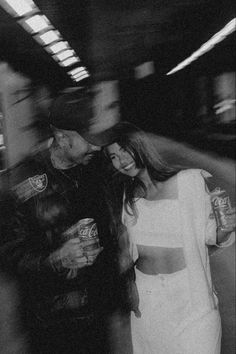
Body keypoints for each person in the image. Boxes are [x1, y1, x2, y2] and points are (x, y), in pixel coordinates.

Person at [0, 90, 124, 354]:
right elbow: (9, 254)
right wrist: (55, 259)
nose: (97, 147)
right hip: (50, 322)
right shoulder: (21, 181)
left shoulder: (99, 169)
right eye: (89, 141)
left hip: (96, 315)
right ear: (61, 137)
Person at [104, 121, 235, 354]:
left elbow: (210, 236)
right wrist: (127, 283)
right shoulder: (126, 197)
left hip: (192, 301)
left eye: (125, 150)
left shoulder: (188, 181)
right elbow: (126, 252)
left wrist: (226, 228)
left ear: (140, 146)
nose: (122, 160)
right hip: (149, 301)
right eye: (114, 156)